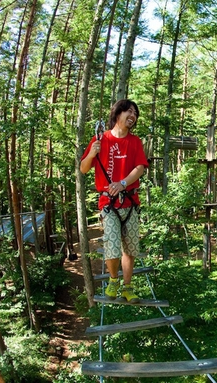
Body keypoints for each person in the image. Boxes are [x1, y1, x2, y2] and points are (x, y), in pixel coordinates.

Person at [80, 99, 148, 303]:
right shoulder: (101, 139)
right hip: (109, 204)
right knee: (112, 244)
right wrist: (92, 152)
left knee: (131, 247)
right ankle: (113, 281)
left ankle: (128, 287)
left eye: (135, 113)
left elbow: (140, 168)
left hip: (130, 201)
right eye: (128, 111)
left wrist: (123, 183)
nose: (133, 115)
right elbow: (83, 168)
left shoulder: (135, 142)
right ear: (117, 114)